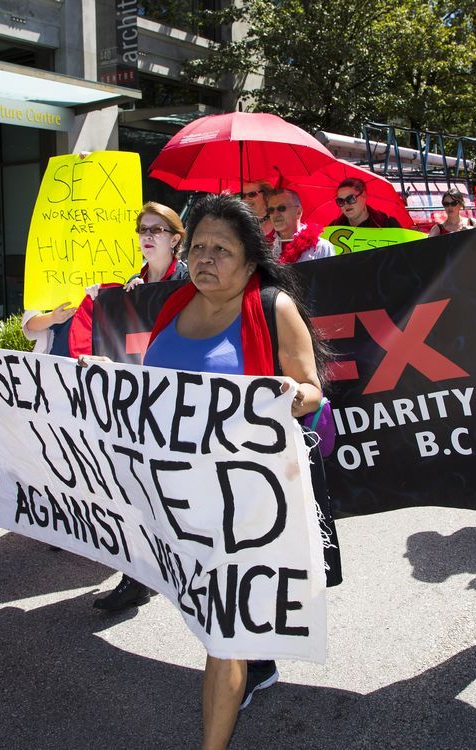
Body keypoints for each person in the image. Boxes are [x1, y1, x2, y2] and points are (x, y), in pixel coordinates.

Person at [136, 194, 336, 749]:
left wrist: (293, 394)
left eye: (221, 249)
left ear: (250, 261)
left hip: (246, 498)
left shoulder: (273, 307)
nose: (205, 258)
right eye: (198, 246)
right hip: (181, 492)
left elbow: (312, 389)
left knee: (221, 630)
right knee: (214, 611)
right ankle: (259, 660)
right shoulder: (174, 305)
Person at [91, 202, 190, 612]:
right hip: (141, 403)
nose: (147, 236)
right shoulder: (133, 283)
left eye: (157, 229)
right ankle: (138, 576)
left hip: (181, 401)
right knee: (138, 489)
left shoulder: (189, 280)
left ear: (175, 238)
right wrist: (117, 304)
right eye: (142, 229)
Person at [266, 188, 336, 263]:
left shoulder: (321, 247)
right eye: (271, 210)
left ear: (298, 212)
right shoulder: (266, 251)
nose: (275, 214)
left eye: (281, 208)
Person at [329, 177, 402, 228]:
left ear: (363, 195)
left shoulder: (387, 224)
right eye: (341, 201)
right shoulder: (333, 228)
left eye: (350, 198)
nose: (346, 204)